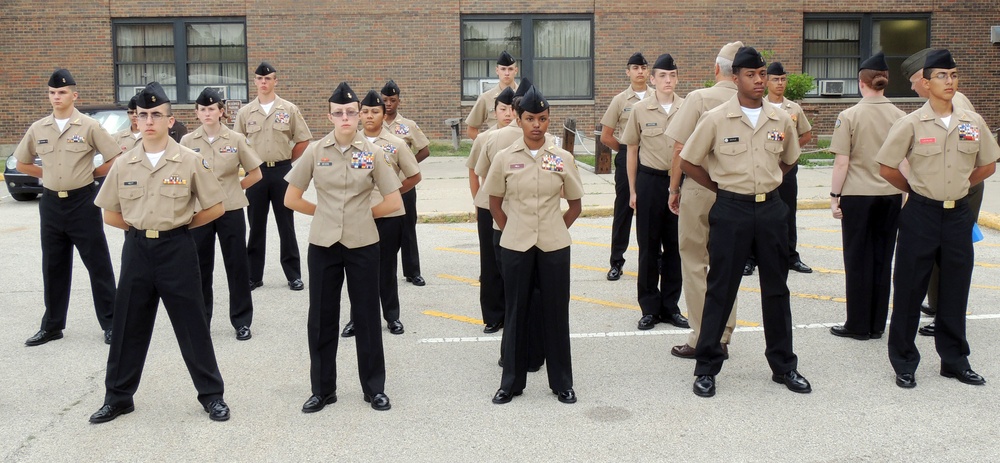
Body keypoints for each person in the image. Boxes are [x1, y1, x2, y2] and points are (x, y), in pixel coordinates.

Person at [90, 82, 231, 423]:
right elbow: (110, 212)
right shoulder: (124, 164)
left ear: (170, 121)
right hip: (137, 249)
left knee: (192, 324)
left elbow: (214, 207)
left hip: (177, 248)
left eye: (156, 115)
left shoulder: (189, 160)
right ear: (135, 122)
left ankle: (212, 396)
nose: (149, 120)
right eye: (142, 115)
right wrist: (142, 230)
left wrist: (177, 227)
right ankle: (119, 397)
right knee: (128, 326)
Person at [680, 46, 810, 398]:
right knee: (720, 289)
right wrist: (721, 188)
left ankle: (784, 366)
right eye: (751, 74)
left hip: (770, 211)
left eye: (762, 74)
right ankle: (706, 367)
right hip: (731, 210)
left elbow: (789, 159)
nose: (758, 80)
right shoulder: (716, 118)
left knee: (777, 289)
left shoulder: (781, 118)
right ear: (735, 77)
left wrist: (771, 182)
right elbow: (690, 160)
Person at [876, 49, 999, 389]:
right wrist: (918, 190)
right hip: (921, 214)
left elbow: (987, 165)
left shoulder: (972, 122)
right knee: (909, 290)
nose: (950, 81)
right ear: (925, 83)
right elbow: (886, 167)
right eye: (942, 76)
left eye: (954, 75)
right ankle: (903, 361)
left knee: (955, 290)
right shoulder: (911, 123)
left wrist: (959, 186)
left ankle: (954, 360)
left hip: (958, 214)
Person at [284, 82, 402, 413]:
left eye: (351, 112)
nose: (346, 117)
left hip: (363, 243)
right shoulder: (315, 151)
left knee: (366, 316)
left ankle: (374, 388)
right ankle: (323, 390)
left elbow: (392, 200)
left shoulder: (373, 152)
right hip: (323, 244)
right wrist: (321, 212)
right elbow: (291, 197)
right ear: (330, 116)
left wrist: (363, 215)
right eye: (339, 113)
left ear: (359, 116)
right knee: (321, 318)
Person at [484, 86, 584, 405]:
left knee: (556, 313)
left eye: (542, 118)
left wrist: (555, 227)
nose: (537, 125)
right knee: (516, 312)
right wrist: (511, 228)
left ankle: (562, 383)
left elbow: (576, 204)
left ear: (548, 120)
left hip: (554, 246)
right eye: (530, 118)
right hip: (515, 244)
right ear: (519, 118)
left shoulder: (561, 158)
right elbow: (494, 202)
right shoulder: (504, 158)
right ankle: (511, 382)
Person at [14, 68, 121, 347]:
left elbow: (115, 156)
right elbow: (23, 162)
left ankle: (111, 324)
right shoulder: (39, 128)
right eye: (52, 93)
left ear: (74, 95)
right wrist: (46, 175)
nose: (56, 97)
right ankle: (52, 327)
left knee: (98, 265)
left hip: (82, 202)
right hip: (51, 204)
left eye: (62, 92)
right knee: (53, 266)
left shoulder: (88, 126)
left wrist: (93, 173)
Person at [664, 41, 742, 360]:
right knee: (728, 264)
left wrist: (673, 189)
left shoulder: (699, 98)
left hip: (699, 187)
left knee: (695, 262)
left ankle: (700, 336)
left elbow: (680, 150)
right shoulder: (752, 101)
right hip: (736, 191)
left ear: (716, 69)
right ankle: (723, 334)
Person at [900, 48, 982, 337]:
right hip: (935, 194)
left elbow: (981, 160)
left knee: (949, 259)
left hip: (962, 191)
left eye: (912, 81)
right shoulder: (923, 113)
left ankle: (941, 310)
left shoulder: (954, 102)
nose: (913, 87)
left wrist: (957, 183)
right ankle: (936, 306)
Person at [827, 53, 906, 340]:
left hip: (858, 195)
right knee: (883, 259)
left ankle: (857, 325)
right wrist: (904, 192)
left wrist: (835, 195)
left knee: (858, 259)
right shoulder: (900, 117)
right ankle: (876, 324)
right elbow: (904, 162)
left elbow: (842, 163)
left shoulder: (849, 116)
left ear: (862, 82)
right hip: (890, 194)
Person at [181, 87, 263, 340]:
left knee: (237, 266)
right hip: (201, 212)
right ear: (197, 113)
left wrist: (232, 189)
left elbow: (255, 173)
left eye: (212, 109)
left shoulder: (236, 139)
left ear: (221, 112)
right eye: (203, 109)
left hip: (230, 209)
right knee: (200, 267)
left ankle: (241, 321)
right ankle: (201, 319)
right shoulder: (187, 142)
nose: (208, 113)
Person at [341, 90, 421, 337]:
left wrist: (394, 193)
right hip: (360, 215)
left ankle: (391, 316)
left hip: (389, 216)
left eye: (375, 111)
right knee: (358, 269)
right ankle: (357, 318)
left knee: (386, 267)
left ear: (384, 114)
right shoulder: (351, 144)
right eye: (364, 111)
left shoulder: (395, 144)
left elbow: (414, 175)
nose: (369, 116)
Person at [620, 53, 688, 331]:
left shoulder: (687, 108)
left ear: (677, 78)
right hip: (649, 182)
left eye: (672, 75)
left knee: (675, 247)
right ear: (652, 79)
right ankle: (649, 307)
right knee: (648, 247)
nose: (668, 80)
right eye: (662, 75)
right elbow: (632, 151)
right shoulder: (640, 109)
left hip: (679, 184)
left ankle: (671, 307)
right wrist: (633, 190)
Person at [233, 62, 312, 292]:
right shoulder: (246, 112)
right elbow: (237, 143)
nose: (264, 82)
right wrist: (248, 167)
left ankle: (293, 274)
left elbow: (303, 139)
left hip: (281, 171)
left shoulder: (288, 109)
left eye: (268, 79)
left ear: (275, 81)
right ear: (255, 81)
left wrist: (288, 161)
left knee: (286, 225)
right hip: (256, 173)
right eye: (260, 79)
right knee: (256, 226)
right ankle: (254, 276)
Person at [743, 61, 814, 276]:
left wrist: (790, 152)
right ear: (766, 82)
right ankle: (750, 258)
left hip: (786, 168)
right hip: (762, 167)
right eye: (775, 79)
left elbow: (806, 134)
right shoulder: (758, 106)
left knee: (787, 212)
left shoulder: (793, 108)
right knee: (755, 214)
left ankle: (790, 255)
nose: (780, 83)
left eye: (783, 79)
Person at [466, 86, 516, 333]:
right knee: (490, 263)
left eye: (510, 109)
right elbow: (474, 171)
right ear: (494, 112)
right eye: (502, 109)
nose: (507, 113)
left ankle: (514, 311)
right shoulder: (485, 138)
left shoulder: (521, 136)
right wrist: (478, 200)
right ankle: (493, 316)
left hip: (514, 207)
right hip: (489, 207)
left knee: (512, 260)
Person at [599, 52, 651, 281]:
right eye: (635, 68)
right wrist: (624, 150)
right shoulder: (620, 100)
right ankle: (616, 262)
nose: (640, 72)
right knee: (623, 210)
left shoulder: (657, 97)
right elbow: (606, 135)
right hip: (627, 158)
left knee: (651, 211)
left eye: (643, 67)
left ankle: (653, 260)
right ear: (628, 72)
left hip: (652, 160)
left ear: (648, 72)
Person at [380, 80, 431, 287]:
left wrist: (407, 165)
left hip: (404, 184)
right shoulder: (373, 124)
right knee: (379, 228)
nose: (389, 104)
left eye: (393, 100)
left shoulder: (407, 125)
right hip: (379, 188)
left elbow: (424, 150)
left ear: (399, 101)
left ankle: (412, 271)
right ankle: (378, 268)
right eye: (385, 100)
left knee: (407, 227)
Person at [466, 50, 519, 140]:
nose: (507, 73)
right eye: (503, 69)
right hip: (495, 149)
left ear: (516, 70)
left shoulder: (525, 96)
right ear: (497, 70)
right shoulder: (486, 98)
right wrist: (487, 146)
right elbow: (471, 129)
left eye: (510, 69)